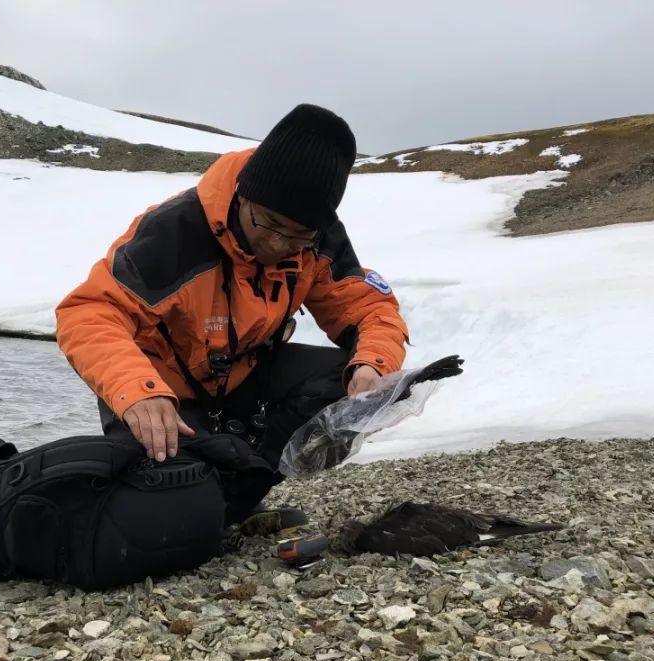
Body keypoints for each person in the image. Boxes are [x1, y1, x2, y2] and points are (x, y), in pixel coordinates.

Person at [55, 103, 409, 529]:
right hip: (162, 399)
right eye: (269, 224)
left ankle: (241, 491)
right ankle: (208, 499)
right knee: (168, 517)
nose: (279, 244)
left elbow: (369, 306)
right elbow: (90, 311)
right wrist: (139, 392)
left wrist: (373, 365)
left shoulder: (318, 238)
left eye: (298, 236)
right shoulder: (175, 232)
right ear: (244, 194)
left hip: (241, 385)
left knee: (345, 381)